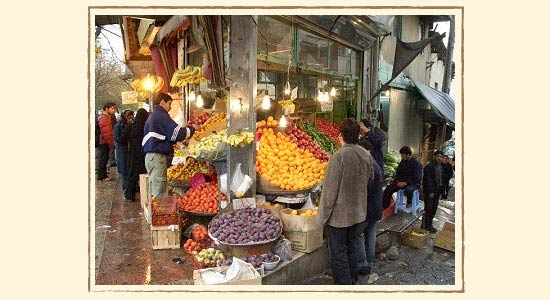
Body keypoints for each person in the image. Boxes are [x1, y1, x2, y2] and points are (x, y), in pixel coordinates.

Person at [318, 118, 374, 285]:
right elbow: (371, 179)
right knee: (351, 248)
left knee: (338, 253)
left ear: (341, 135)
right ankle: (353, 281)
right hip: (358, 213)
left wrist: (321, 218)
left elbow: (329, 192)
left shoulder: (338, 157)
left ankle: (343, 286)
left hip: (339, 218)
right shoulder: (365, 154)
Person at [142, 93, 199, 197]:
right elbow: (177, 134)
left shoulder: (154, 115)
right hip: (157, 157)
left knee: (156, 187)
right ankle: (160, 211)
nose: (170, 107)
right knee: (159, 189)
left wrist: (178, 144)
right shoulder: (161, 115)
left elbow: (167, 135)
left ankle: (156, 209)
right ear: (162, 102)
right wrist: (192, 129)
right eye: (169, 103)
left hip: (151, 157)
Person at [356, 140, 384, 278]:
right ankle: (370, 262)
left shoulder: (368, 166)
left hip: (367, 209)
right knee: (370, 235)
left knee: (358, 235)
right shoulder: (375, 164)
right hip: (375, 208)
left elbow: (364, 190)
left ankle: (362, 264)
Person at [123, 108, 148, 203]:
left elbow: (122, 139)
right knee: (145, 175)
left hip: (133, 154)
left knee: (132, 175)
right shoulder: (147, 127)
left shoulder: (131, 127)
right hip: (144, 153)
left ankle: (129, 196)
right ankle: (146, 196)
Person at [422, 150, 445, 233]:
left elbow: (441, 180)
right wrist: (430, 192)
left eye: (441, 157)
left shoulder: (440, 166)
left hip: (437, 191)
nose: (439, 158)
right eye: (438, 156)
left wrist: (442, 192)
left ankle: (429, 225)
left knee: (433, 209)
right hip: (430, 192)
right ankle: (424, 226)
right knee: (428, 209)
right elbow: (427, 180)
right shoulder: (429, 167)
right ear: (434, 157)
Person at [114, 110, 134, 190]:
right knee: (124, 169)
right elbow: (117, 139)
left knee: (129, 168)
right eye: (128, 117)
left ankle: (129, 187)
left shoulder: (131, 125)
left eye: (131, 117)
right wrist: (125, 136)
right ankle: (125, 187)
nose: (130, 119)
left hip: (129, 149)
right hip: (122, 150)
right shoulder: (118, 126)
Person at [97, 102, 117, 181]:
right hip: (104, 142)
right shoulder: (104, 118)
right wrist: (111, 143)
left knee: (104, 158)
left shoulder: (107, 117)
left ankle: (103, 174)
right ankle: (102, 176)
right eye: (112, 108)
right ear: (106, 109)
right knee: (103, 159)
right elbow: (106, 132)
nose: (113, 110)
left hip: (105, 141)